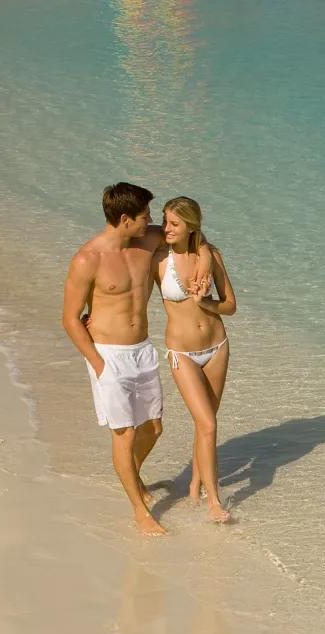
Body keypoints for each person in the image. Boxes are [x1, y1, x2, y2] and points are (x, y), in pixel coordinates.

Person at [61, 181, 169, 535]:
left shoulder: (147, 242)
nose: (151, 222)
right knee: (123, 436)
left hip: (142, 351)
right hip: (109, 356)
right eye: (144, 216)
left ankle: (131, 476)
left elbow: (187, 228)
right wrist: (98, 364)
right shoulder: (87, 259)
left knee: (153, 428)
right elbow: (70, 318)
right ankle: (140, 513)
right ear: (125, 219)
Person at [156, 196, 237, 524]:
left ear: (192, 225)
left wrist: (207, 303)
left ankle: (193, 484)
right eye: (164, 221)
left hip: (217, 347)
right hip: (182, 352)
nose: (166, 228)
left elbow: (230, 304)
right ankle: (213, 501)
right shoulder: (159, 259)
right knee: (208, 423)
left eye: (174, 224)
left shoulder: (211, 255)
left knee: (206, 424)